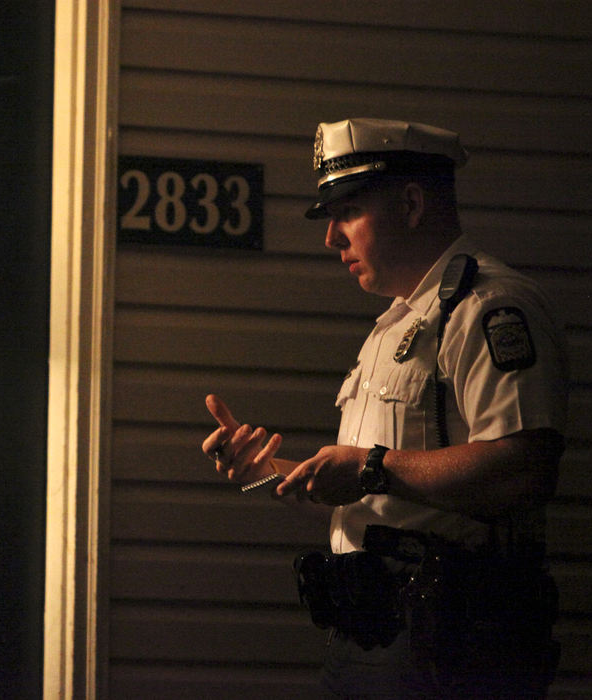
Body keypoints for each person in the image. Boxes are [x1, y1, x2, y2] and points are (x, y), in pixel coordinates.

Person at [202, 118, 568, 698]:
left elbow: (524, 470)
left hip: (452, 647)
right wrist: (265, 474)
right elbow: (377, 502)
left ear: (413, 203)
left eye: (347, 212)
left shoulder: (486, 307)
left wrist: (371, 466)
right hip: (373, 636)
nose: (331, 239)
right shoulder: (395, 326)